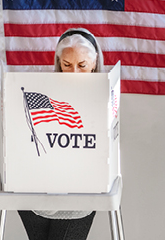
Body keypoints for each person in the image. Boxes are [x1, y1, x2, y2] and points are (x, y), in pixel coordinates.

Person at [17, 28, 103, 240]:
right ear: (58, 63)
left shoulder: (104, 98)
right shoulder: (41, 92)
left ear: (94, 64)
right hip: (36, 193)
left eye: (82, 66)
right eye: (66, 65)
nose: (73, 72)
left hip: (78, 196)